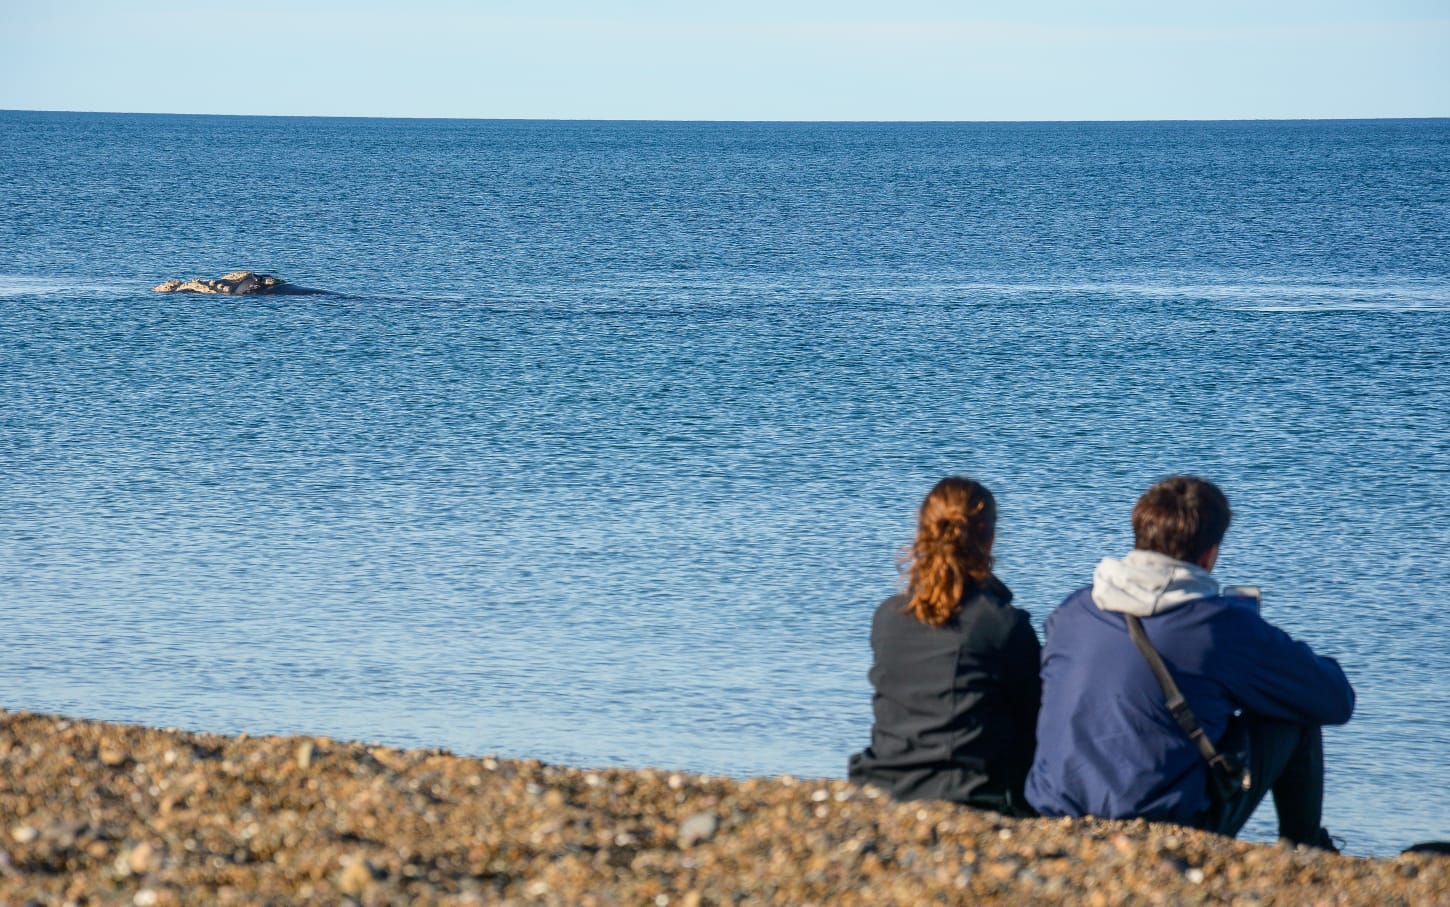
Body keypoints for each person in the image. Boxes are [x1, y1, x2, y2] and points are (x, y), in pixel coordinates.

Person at [1025, 475, 1355, 849]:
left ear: (1139, 536)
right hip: (1165, 825)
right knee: (1296, 710)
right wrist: (1256, 638)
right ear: (1209, 554)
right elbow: (1335, 698)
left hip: (1053, 816)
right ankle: (1306, 848)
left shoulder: (1072, 612)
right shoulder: (1220, 627)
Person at [849, 476, 1041, 815]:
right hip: (971, 792)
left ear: (923, 533)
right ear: (990, 539)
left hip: (884, 783)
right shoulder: (1003, 625)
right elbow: (1037, 720)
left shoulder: (888, 617)